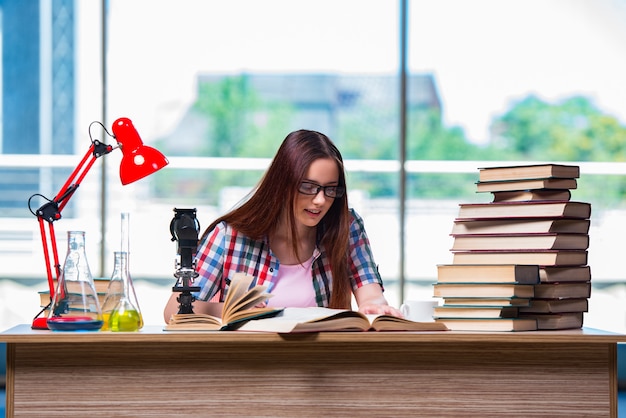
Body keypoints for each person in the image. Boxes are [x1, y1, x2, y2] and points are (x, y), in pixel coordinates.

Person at [163, 129, 402, 322]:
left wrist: (376, 308)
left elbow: (371, 294)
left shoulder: (347, 226)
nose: (320, 200)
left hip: (325, 367)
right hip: (249, 367)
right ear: (282, 183)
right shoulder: (229, 236)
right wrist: (230, 310)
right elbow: (174, 310)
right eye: (308, 187)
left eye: (331, 189)